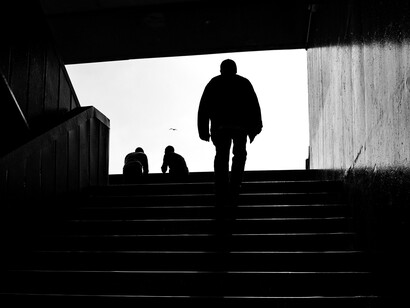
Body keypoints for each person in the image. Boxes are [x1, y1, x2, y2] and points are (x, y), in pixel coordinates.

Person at [197, 59, 262, 203]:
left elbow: (204, 108)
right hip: (240, 127)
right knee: (239, 155)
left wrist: (203, 130)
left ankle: (221, 186)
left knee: (221, 155)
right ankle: (235, 184)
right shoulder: (244, 83)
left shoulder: (214, 83)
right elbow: (253, 106)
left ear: (221, 69)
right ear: (235, 69)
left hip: (220, 128)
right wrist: (255, 127)